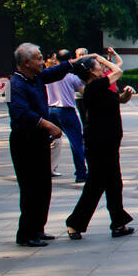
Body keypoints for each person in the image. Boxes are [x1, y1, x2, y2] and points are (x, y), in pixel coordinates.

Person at [7, 44, 75, 246]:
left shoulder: (36, 78)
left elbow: (54, 72)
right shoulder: (13, 85)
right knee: (30, 188)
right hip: (24, 140)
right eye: (38, 58)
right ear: (26, 63)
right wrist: (48, 125)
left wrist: (73, 63)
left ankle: (38, 228)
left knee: (44, 186)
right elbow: (20, 113)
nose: (42, 62)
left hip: (39, 140)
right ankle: (26, 234)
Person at [64, 55, 135, 239]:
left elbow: (118, 100)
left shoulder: (101, 87)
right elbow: (118, 71)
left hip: (109, 142)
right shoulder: (93, 86)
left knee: (114, 183)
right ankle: (74, 223)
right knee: (95, 185)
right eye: (99, 66)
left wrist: (126, 95)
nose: (103, 68)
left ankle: (118, 224)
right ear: (90, 71)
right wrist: (102, 58)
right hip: (98, 143)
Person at [45, 53, 87, 183]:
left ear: (57, 59)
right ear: (70, 60)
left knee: (47, 141)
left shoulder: (48, 75)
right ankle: (81, 174)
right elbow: (84, 92)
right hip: (67, 111)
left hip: (50, 110)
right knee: (76, 142)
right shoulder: (71, 77)